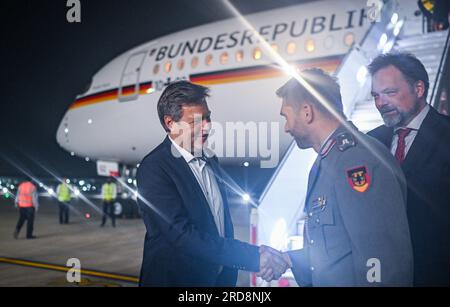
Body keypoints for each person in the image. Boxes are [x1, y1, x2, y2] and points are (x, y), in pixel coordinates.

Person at [262, 68, 413, 286]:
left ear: (307, 112)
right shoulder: (328, 161)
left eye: (286, 116)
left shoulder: (356, 161)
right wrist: (288, 259)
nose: (286, 128)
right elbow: (336, 247)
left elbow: (379, 257)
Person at [136, 81, 288, 287]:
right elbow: (183, 235)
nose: (206, 126)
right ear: (170, 123)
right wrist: (252, 257)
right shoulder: (155, 167)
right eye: (195, 121)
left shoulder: (210, 160)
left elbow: (221, 226)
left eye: (207, 117)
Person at [367, 52, 450, 286]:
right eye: (375, 95)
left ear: (419, 89)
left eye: (390, 93)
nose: (380, 103)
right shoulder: (369, 142)